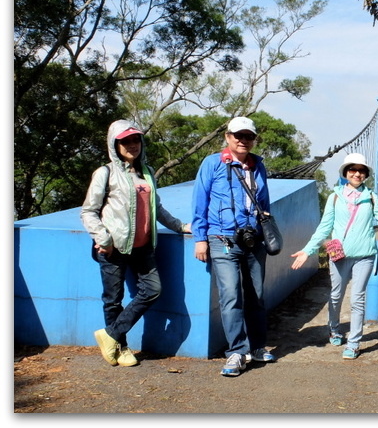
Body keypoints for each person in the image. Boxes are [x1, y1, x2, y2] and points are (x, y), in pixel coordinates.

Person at [290, 153, 378, 359]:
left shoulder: (372, 198)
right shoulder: (334, 197)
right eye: (352, 169)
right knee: (336, 296)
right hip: (339, 255)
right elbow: (324, 227)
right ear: (345, 173)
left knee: (357, 299)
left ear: (365, 175)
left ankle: (353, 343)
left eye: (361, 170)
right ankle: (334, 328)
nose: (357, 173)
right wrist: (307, 249)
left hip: (364, 256)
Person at [81, 120, 191, 367]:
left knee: (152, 290)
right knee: (113, 299)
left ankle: (110, 335)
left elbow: (157, 208)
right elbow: (88, 211)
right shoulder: (105, 173)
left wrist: (180, 226)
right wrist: (104, 239)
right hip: (114, 247)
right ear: (115, 144)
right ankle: (120, 347)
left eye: (135, 140)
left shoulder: (147, 172)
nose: (132, 145)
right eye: (125, 141)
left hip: (143, 247)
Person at [192, 116, 276, 377]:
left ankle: (258, 346)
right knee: (231, 296)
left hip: (253, 240)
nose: (243, 140)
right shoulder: (212, 163)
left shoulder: (257, 166)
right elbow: (200, 200)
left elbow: (264, 203)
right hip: (223, 239)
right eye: (237, 135)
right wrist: (200, 237)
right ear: (227, 137)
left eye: (248, 136)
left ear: (254, 139)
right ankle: (237, 352)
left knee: (257, 295)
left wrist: (265, 231)